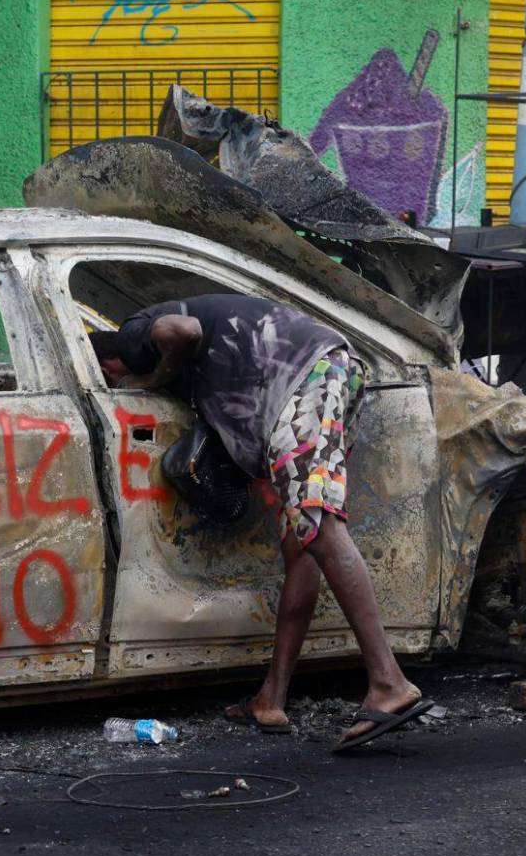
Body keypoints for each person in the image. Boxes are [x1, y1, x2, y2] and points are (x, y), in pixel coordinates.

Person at [89, 294, 432, 750]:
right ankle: (270, 699)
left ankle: (389, 682)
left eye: (109, 376)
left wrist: (152, 376)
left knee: (320, 526)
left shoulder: (133, 333)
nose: (117, 382)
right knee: (302, 544)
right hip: (328, 374)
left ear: (109, 361)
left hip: (304, 380)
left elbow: (183, 333)